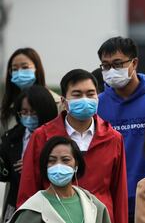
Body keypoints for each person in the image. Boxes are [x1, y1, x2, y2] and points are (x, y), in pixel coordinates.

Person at [17, 69, 128, 223]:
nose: (85, 99)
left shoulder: (113, 138)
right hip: (53, 217)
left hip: (99, 217)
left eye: (90, 94)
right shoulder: (41, 136)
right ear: (63, 101)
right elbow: (27, 191)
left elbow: (119, 193)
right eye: (77, 95)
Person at [97, 36, 145, 221]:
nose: (111, 71)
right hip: (108, 201)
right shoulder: (98, 103)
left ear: (134, 63)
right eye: (105, 66)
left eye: (117, 64)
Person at [8, 136, 111, 223]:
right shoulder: (32, 210)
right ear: (45, 166)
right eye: (51, 161)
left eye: (65, 160)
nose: (58, 165)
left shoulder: (93, 204)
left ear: (76, 164)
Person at [0, 85, 58, 222]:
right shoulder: (12, 137)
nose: (29, 117)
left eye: (33, 112)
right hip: (17, 203)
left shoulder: (58, 137)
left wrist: (35, 165)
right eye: (24, 112)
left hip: (51, 205)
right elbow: (5, 173)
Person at [0, 48, 62, 136]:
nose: (20, 73)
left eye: (25, 67)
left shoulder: (56, 102)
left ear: (37, 68)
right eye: (15, 69)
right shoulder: (8, 106)